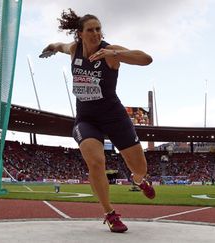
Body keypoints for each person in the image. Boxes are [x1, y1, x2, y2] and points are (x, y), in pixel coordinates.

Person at [41, 9, 155, 233]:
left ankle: (139, 180)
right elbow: (61, 46)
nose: (96, 33)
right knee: (95, 161)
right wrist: (52, 47)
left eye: (99, 29)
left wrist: (113, 54)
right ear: (80, 34)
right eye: (90, 30)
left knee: (140, 168)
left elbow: (146, 59)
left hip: (114, 117)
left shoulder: (110, 52)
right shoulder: (75, 49)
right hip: (86, 119)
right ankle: (110, 213)